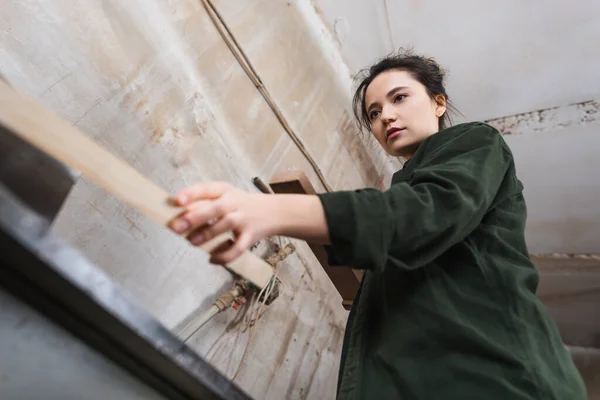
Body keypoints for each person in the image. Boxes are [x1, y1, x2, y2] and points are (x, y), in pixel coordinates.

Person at [168, 50, 587, 399]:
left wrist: (274, 213)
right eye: (374, 112)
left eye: (400, 97)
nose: (385, 116)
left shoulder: (474, 143)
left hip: (501, 378)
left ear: (438, 102)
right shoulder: (404, 188)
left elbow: (421, 215)